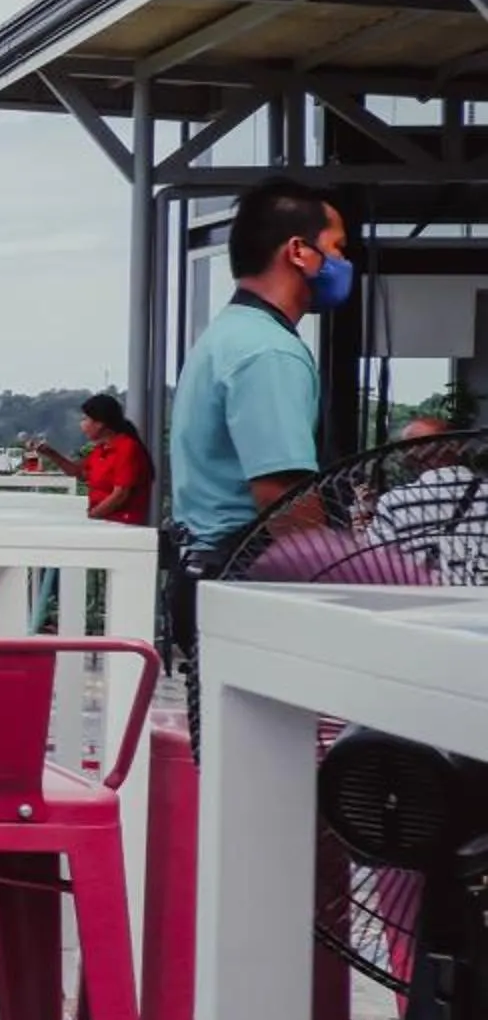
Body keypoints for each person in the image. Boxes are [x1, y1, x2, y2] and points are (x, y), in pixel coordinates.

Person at [163, 176, 348, 735]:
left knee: (234, 763)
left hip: (204, 571)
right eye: (337, 248)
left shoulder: (227, 335)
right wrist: (347, 587)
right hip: (247, 579)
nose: (344, 264)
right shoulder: (269, 352)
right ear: (299, 252)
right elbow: (282, 496)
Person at [365, 415, 488, 586]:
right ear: (458, 448)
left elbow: (376, 564)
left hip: (421, 598)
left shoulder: (394, 502)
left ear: (409, 459)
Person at [23, 393, 153, 526]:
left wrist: (93, 516)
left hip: (122, 524)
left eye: (85, 419)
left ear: (100, 423)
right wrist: (51, 453)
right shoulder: (101, 449)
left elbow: (120, 494)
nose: (82, 424)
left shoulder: (127, 448)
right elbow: (79, 472)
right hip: (104, 522)